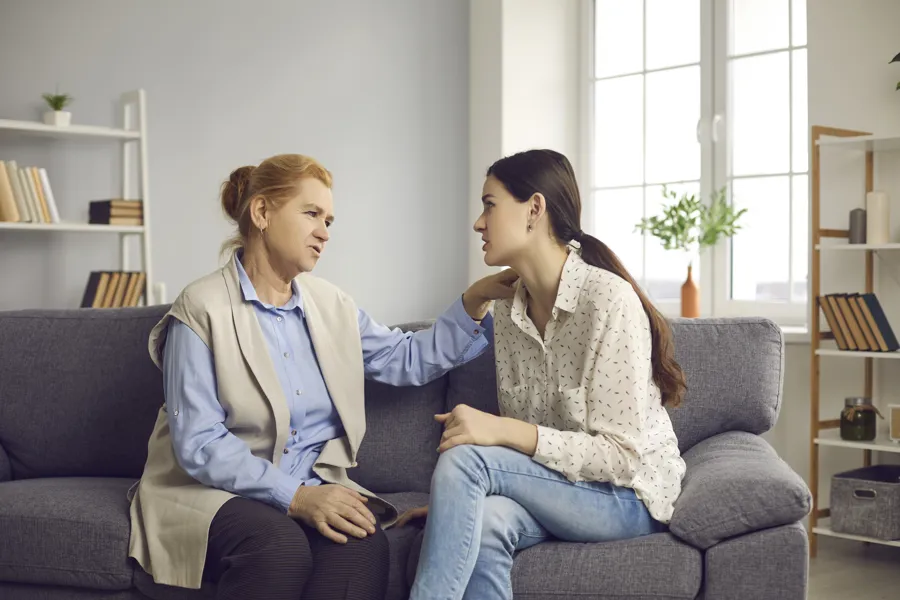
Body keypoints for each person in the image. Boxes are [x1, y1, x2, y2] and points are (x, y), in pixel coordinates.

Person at [127, 153, 517, 600]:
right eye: (311, 214)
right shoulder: (200, 308)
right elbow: (199, 443)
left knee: (364, 545)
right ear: (261, 213)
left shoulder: (331, 305)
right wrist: (296, 497)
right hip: (210, 493)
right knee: (278, 548)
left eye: (328, 219)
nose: (324, 232)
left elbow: (405, 357)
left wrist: (475, 299)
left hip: (309, 486)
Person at [398, 149, 688, 600]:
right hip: (563, 491)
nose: (478, 222)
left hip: (628, 497)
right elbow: (531, 461)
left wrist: (500, 431)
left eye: (489, 205)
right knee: (487, 522)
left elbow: (620, 458)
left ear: (534, 209)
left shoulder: (608, 301)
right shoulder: (506, 313)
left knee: (467, 455)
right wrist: (456, 504)